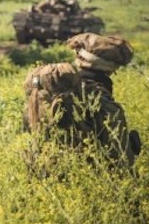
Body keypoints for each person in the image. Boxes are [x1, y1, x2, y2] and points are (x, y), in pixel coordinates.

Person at [24, 32, 140, 174]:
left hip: (42, 172)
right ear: (110, 69)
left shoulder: (48, 88)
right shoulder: (99, 98)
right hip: (82, 176)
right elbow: (121, 161)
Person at [66, 32, 141, 169]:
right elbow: (119, 157)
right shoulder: (101, 98)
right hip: (85, 173)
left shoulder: (62, 87)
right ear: (109, 69)